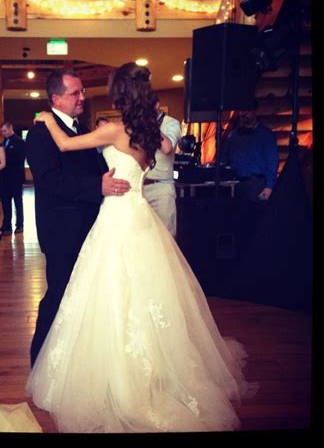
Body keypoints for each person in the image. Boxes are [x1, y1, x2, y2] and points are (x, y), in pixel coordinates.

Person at [26, 62, 258, 433]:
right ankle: (152, 372)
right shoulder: (151, 135)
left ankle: (110, 377)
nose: (84, 97)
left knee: (110, 295)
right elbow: (164, 149)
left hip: (115, 220)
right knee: (140, 294)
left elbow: (67, 144)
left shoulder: (111, 129)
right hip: (135, 219)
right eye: (77, 93)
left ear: (121, 97)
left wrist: (44, 118)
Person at [25, 68, 131, 367]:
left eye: (82, 91)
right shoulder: (39, 133)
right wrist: (96, 185)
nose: (82, 97)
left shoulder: (81, 128)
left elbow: (92, 167)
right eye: (76, 93)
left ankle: (76, 363)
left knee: (85, 296)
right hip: (62, 230)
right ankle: (40, 363)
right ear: (56, 98)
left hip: (90, 226)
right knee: (59, 294)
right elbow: (49, 181)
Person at [221, 101, 279, 202]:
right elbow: (224, 157)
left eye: (246, 111)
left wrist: (269, 187)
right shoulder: (233, 135)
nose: (242, 114)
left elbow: (272, 162)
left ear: (254, 112)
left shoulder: (266, 135)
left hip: (257, 185)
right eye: (240, 111)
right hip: (236, 185)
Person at [143, 101, 182, 238]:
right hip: (140, 189)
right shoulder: (138, 125)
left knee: (166, 240)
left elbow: (167, 147)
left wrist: (150, 125)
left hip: (161, 189)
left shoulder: (172, 123)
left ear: (156, 105)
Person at [0, 121, 26, 234]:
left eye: (5, 130)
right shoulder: (4, 142)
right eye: (2, 131)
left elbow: (19, 160)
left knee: (17, 202)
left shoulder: (19, 142)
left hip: (15, 177)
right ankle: (7, 225)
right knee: (5, 202)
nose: (3, 133)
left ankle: (19, 225)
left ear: (11, 128)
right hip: (4, 178)